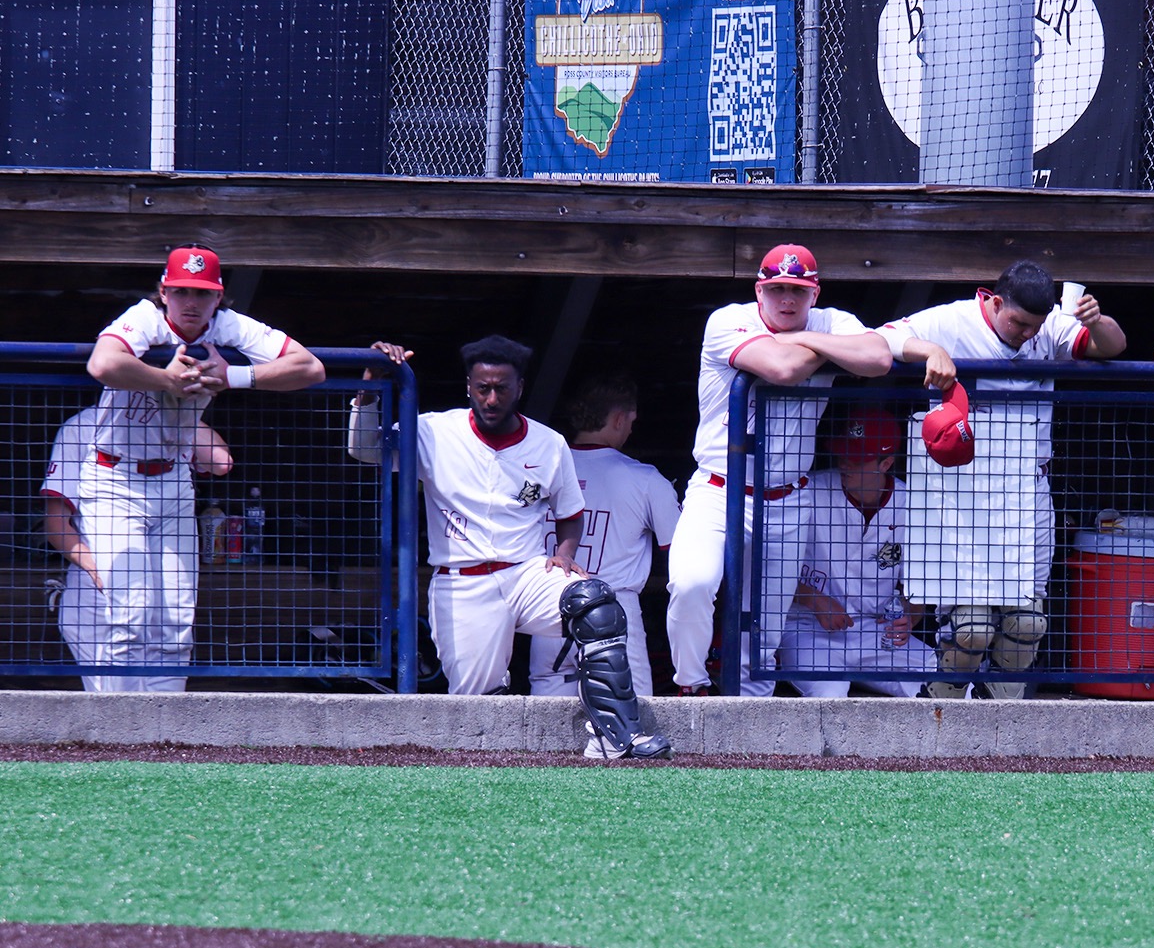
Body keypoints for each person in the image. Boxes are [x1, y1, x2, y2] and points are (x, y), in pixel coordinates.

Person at [348, 336, 668, 760]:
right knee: (475, 707)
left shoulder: (549, 442)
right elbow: (364, 450)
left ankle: (611, 737)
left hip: (525, 573)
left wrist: (567, 554)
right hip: (462, 581)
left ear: (520, 387)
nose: (492, 398)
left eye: (502, 387)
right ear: (469, 386)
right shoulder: (432, 430)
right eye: (483, 388)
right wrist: (368, 393)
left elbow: (571, 512)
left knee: (598, 606)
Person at [880, 259, 1127, 699]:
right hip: (964, 491)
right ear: (994, 302)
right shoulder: (951, 319)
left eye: (1035, 324)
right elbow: (880, 338)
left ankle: (1000, 732)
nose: (1027, 333)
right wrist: (930, 351)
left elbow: (1110, 347)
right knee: (972, 630)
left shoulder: (1049, 326)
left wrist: (1099, 320)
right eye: (1018, 322)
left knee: (1027, 623)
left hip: (1027, 489)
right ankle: (938, 714)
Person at [82, 244, 324, 692]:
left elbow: (310, 367)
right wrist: (166, 379)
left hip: (173, 477)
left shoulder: (227, 325)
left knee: (176, 619)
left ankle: (162, 741)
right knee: (127, 616)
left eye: (202, 292)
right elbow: (102, 362)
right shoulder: (146, 318)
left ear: (218, 297)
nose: (191, 302)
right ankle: (115, 738)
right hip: (113, 476)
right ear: (164, 292)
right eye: (181, 291)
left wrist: (233, 375)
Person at [665, 243, 901, 697]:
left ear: (815, 293)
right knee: (692, 583)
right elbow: (781, 367)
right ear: (760, 290)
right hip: (719, 488)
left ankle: (749, 722)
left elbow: (878, 359)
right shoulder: (727, 320)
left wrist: (805, 339)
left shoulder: (832, 320)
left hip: (789, 497)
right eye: (776, 289)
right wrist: (825, 350)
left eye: (797, 289)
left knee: (767, 621)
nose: (787, 300)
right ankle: (690, 686)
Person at [42, 405, 232, 691]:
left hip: (157, 583)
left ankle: (166, 734)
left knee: (175, 639)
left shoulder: (175, 425)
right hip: (97, 579)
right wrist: (95, 568)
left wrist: (184, 412)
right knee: (117, 689)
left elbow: (221, 462)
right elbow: (56, 524)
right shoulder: (84, 426)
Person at [528, 375, 681, 698]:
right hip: (614, 609)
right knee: (631, 721)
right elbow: (680, 556)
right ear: (617, 418)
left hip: (547, 607)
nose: (630, 428)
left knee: (545, 734)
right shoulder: (645, 479)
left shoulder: (540, 470)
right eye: (630, 420)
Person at [777, 408, 938, 697]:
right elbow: (768, 566)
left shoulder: (912, 504)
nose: (846, 463)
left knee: (947, 679)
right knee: (831, 695)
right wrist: (813, 600)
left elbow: (922, 586)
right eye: (844, 453)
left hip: (876, 633)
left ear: (886, 462)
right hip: (808, 629)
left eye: (859, 458)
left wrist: (909, 618)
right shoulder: (809, 491)